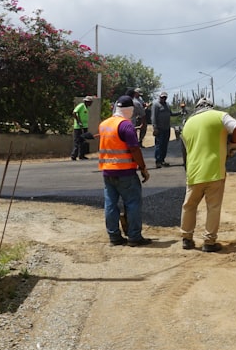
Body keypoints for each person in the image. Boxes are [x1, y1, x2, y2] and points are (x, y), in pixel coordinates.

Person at [179, 97, 236, 252]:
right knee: (213, 207)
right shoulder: (219, 116)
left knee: (189, 206)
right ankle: (209, 242)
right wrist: (233, 143)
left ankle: (186, 239)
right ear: (211, 107)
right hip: (215, 172)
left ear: (197, 108)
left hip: (193, 172)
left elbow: (186, 150)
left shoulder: (188, 124)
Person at [99, 95, 152, 246]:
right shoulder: (126, 125)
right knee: (133, 203)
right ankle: (134, 237)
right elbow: (134, 149)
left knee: (110, 204)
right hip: (125, 173)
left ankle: (114, 237)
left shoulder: (104, 124)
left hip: (107, 172)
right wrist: (143, 168)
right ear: (130, 110)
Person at [150, 91, 185, 168]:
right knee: (159, 145)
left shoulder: (167, 105)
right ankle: (158, 161)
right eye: (162, 97)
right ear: (159, 97)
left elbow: (171, 114)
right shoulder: (156, 105)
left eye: (165, 97)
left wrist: (180, 112)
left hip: (166, 128)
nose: (164, 98)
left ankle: (162, 160)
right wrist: (155, 128)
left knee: (165, 145)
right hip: (159, 128)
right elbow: (153, 117)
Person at [70, 95, 94, 160]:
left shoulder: (87, 108)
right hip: (78, 127)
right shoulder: (81, 105)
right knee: (77, 141)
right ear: (86, 102)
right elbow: (74, 112)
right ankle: (74, 155)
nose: (91, 103)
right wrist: (78, 122)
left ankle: (81, 155)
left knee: (83, 141)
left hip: (84, 126)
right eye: (90, 102)